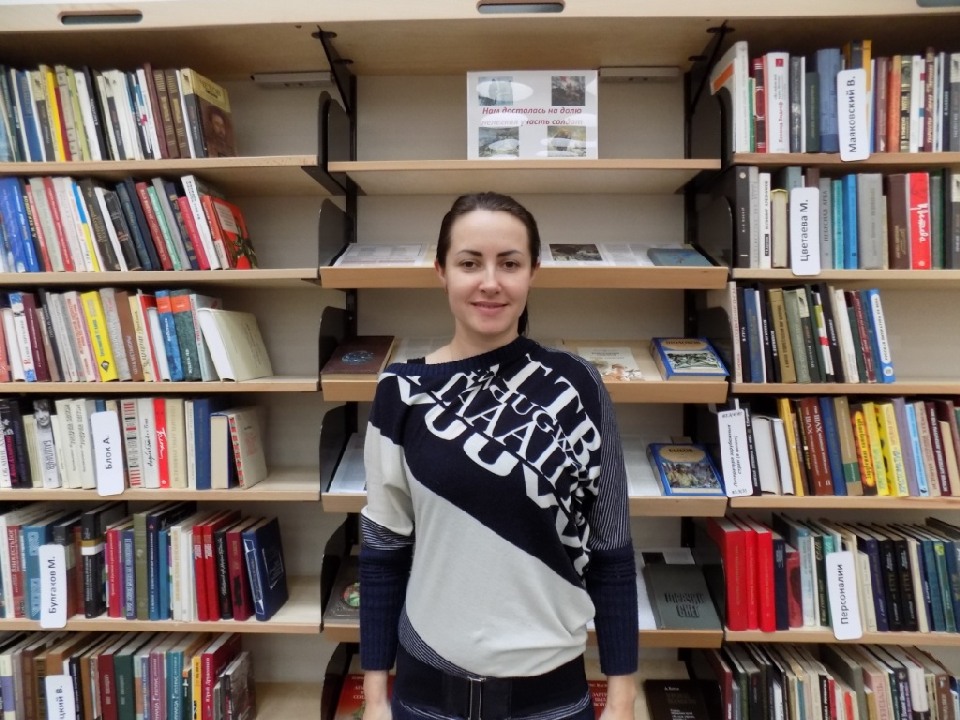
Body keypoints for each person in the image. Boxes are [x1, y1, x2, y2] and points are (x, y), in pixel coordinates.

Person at [360, 192, 638, 720]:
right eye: (470, 263)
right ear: (441, 271)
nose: (490, 282)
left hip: (553, 700)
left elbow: (612, 551)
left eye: (509, 264)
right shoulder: (401, 390)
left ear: (533, 273)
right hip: (427, 698)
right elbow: (383, 552)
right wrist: (375, 697)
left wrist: (622, 696)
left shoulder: (576, 385)